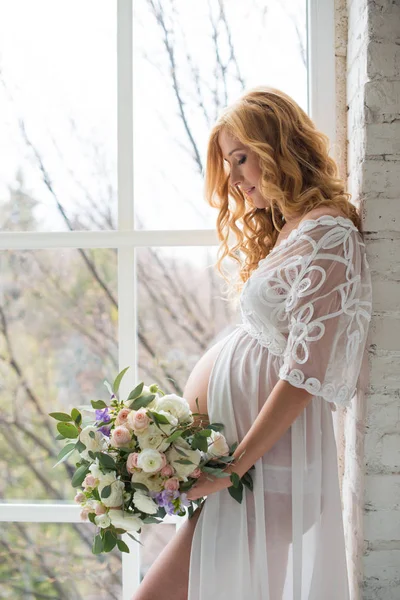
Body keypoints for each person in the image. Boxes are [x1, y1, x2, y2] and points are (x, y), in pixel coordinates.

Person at [132, 86, 373, 600]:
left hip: (265, 473)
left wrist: (235, 466)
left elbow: (305, 372)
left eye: (242, 158)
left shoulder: (329, 231)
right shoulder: (294, 230)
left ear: (280, 146)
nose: (235, 177)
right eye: (228, 163)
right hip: (249, 473)